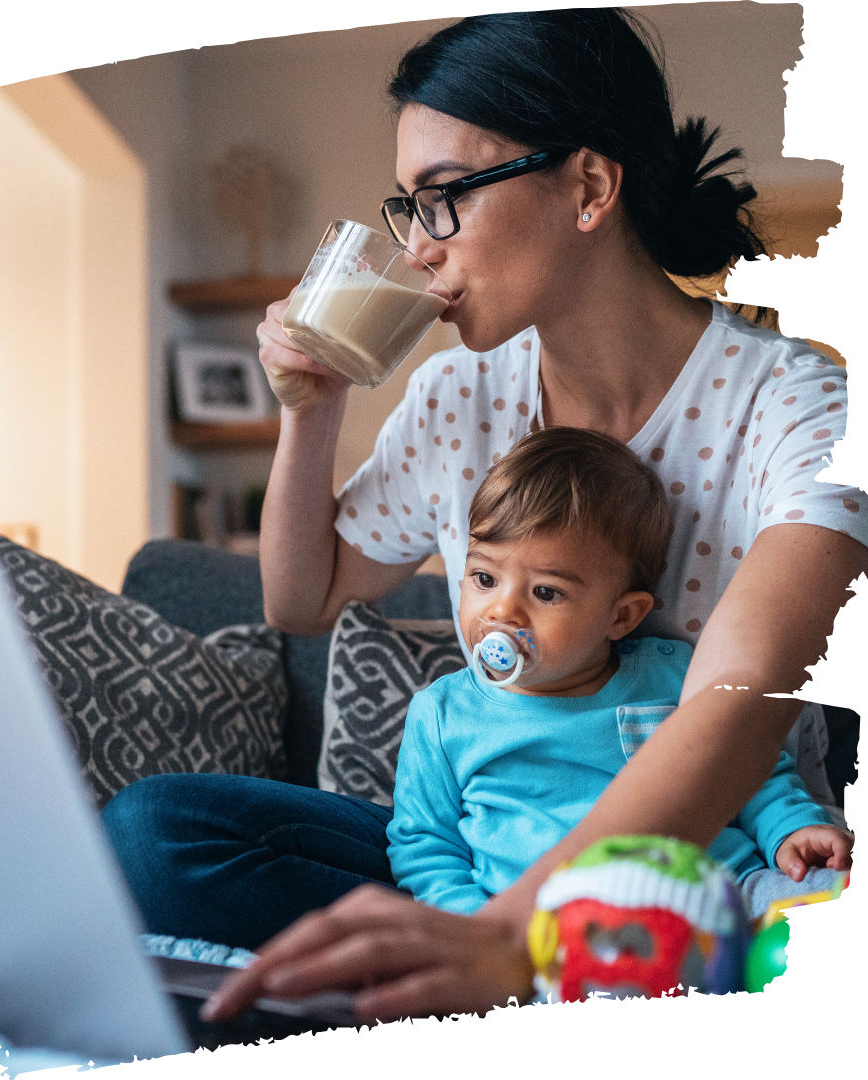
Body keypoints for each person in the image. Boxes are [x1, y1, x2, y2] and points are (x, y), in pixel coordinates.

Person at [102, 10, 866, 1022]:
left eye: (444, 200)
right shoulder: (458, 395)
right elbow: (302, 600)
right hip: (490, 861)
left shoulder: (797, 401)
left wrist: (510, 934)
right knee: (160, 832)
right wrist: (310, 414)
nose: (418, 250)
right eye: (407, 209)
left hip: (713, 862)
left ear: (589, 187)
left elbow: (737, 697)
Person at [387, 427, 853, 924]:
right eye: (484, 579)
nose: (502, 610)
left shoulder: (673, 673)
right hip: (545, 932)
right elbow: (425, 848)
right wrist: (473, 929)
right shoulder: (442, 716)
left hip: (726, 895)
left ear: (623, 616)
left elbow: (747, 769)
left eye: (546, 593)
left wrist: (792, 828)